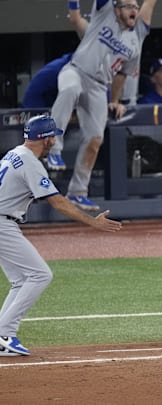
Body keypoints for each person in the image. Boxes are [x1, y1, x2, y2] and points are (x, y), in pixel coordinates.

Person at [0, 115, 122, 356]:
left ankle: (2, 334)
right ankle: (6, 333)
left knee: (21, 280)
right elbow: (57, 202)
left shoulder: (14, 153)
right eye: (52, 137)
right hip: (2, 223)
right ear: (44, 139)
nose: (54, 141)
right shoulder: (29, 162)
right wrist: (92, 223)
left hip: (4, 221)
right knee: (40, 274)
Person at [47, 0, 157, 211]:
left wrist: (114, 100)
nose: (134, 9)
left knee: (95, 139)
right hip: (76, 71)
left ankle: (77, 192)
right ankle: (53, 145)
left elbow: (123, 74)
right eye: (128, 6)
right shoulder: (104, 13)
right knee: (70, 90)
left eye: (136, 6)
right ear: (116, 9)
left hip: (99, 87)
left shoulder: (137, 36)